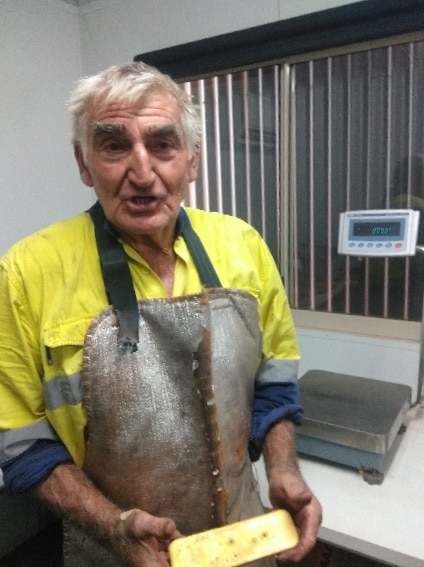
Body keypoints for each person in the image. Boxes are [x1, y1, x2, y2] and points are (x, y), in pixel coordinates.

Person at [0, 62, 321, 566]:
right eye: (114, 146)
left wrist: (284, 468)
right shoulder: (26, 272)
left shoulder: (244, 246)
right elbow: (19, 441)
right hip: (111, 552)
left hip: (245, 541)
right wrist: (113, 526)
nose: (143, 171)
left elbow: (274, 381)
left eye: (163, 144)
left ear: (192, 160)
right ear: (84, 164)